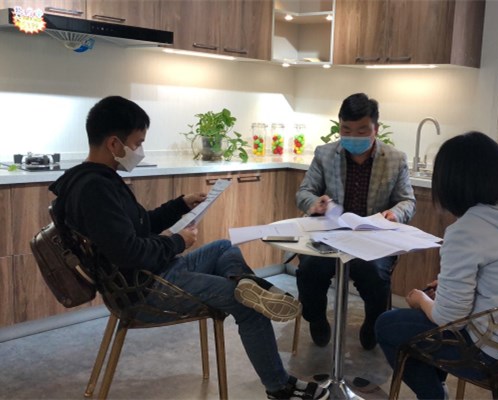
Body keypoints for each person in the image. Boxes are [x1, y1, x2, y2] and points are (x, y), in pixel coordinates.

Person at [49, 96, 329, 400]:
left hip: (150, 275)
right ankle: (279, 387)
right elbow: (129, 251)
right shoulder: (96, 190)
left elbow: (139, 226)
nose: (140, 151)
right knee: (250, 306)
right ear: (114, 144)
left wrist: (180, 205)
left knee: (223, 247)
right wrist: (177, 242)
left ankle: (245, 283)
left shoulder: (90, 180)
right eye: (138, 143)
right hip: (146, 289)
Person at [375, 131, 498, 399]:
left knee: (389, 326)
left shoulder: (467, 230)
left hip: (495, 354)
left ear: (452, 184)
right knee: (425, 323)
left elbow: (448, 318)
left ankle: (434, 396)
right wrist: (448, 291)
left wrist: (420, 299)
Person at [295, 93, 416, 350]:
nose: (353, 137)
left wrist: (394, 214)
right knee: (309, 270)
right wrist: (314, 203)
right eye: (346, 130)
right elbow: (304, 192)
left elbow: (407, 201)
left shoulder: (395, 159)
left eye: (362, 131)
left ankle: (374, 323)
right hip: (331, 235)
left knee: (375, 275)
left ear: (375, 129)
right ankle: (316, 318)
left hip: (373, 238)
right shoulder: (325, 154)